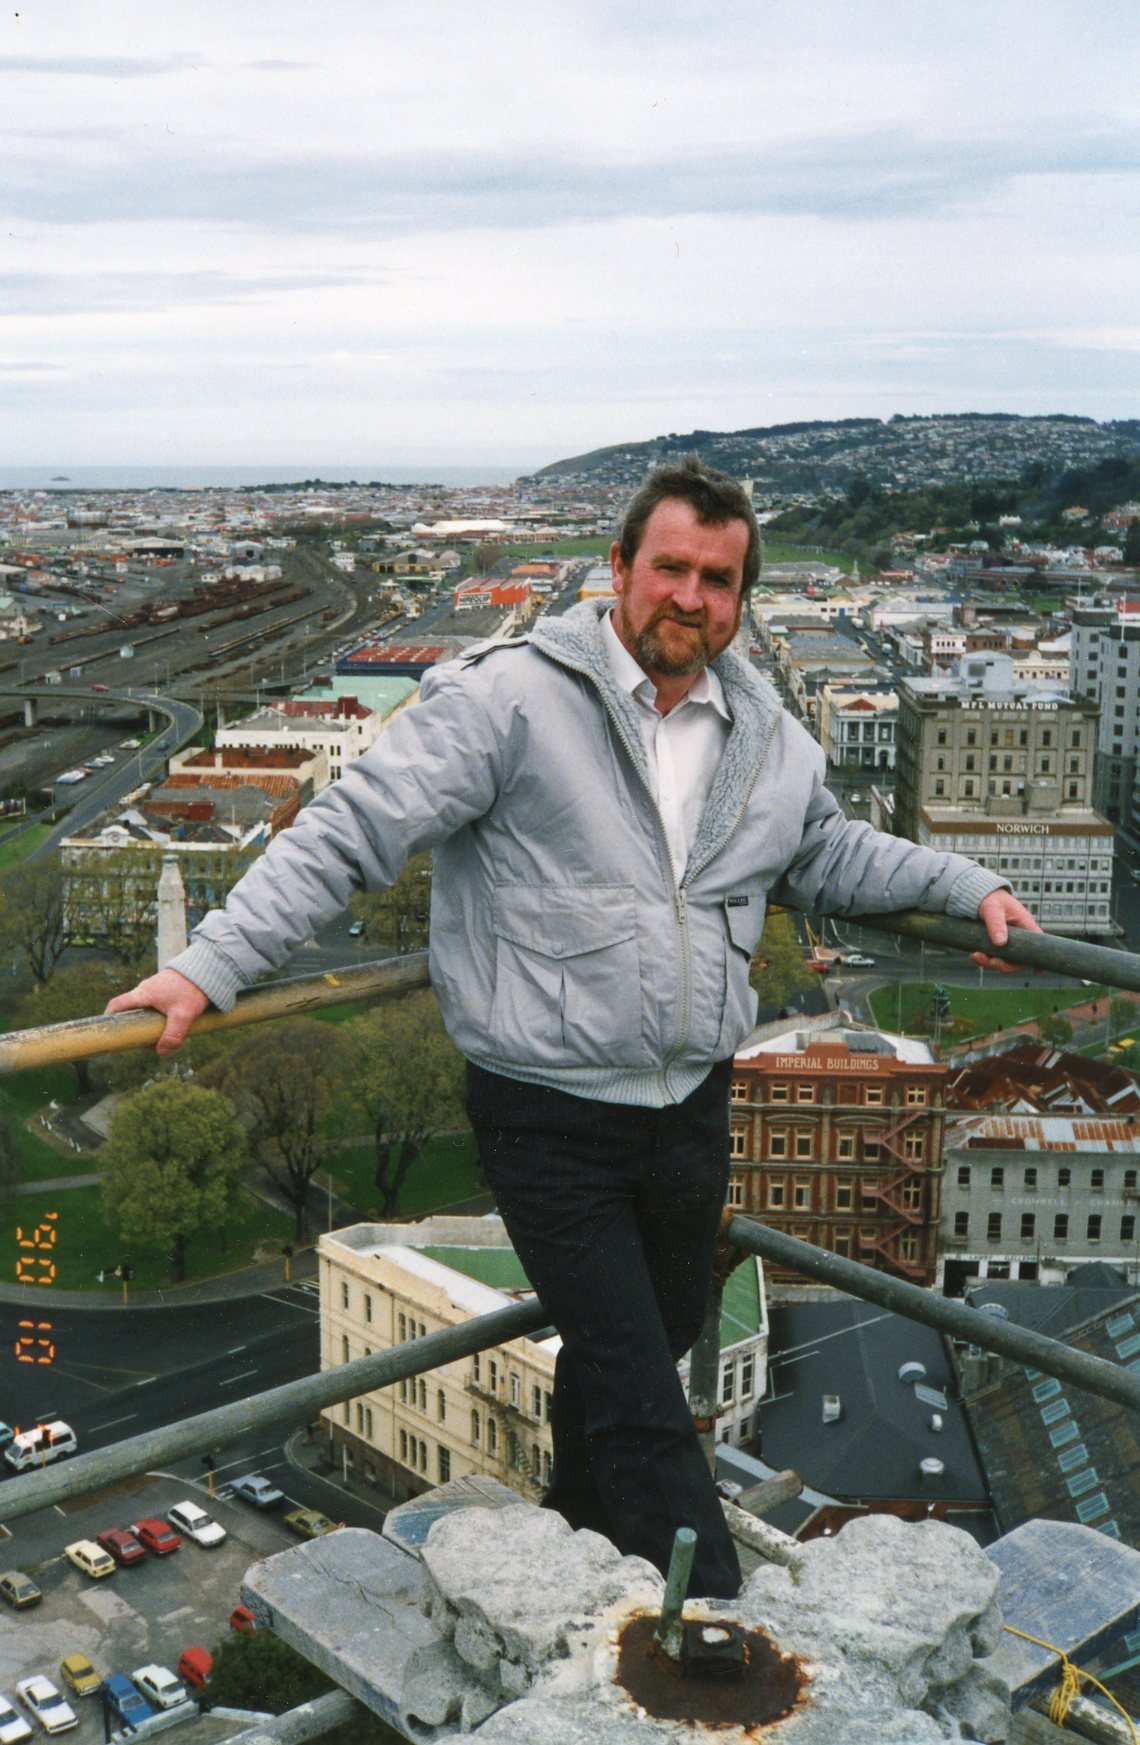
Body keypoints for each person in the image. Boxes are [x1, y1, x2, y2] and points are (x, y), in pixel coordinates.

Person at [108, 457, 1037, 1597]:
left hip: (690, 1102)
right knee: (643, 1388)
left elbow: (828, 852)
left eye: (718, 578)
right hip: (546, 1110)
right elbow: (349, 830)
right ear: (618, 571)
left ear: (741, 599)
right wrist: (207, 964)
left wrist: (965, 881)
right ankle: (714, 1624)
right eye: (671, 568)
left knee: (638, 1346)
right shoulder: (507, 698)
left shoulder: (766, 732)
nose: (691, 597)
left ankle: (578, 1548)